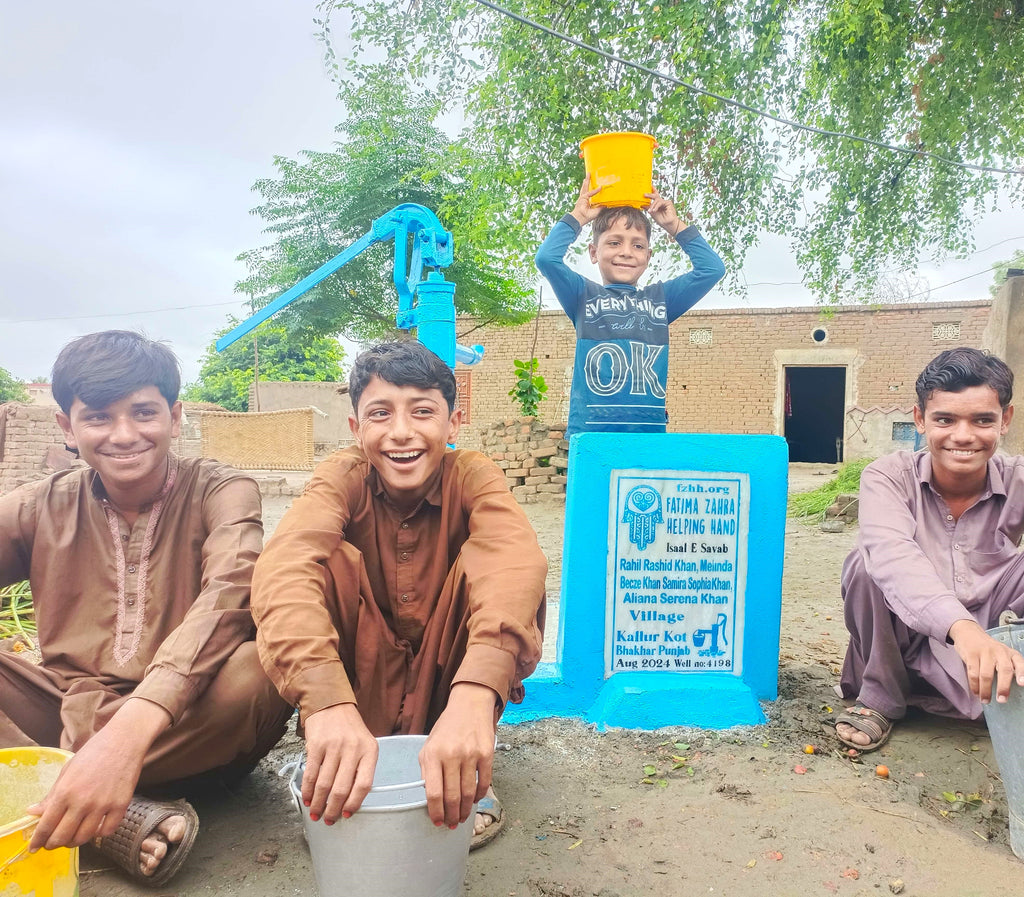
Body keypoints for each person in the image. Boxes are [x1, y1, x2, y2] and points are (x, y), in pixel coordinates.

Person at [0, 331, 292, 886]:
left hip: (191, 725)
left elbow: (230, 595)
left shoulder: (221, 490)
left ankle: (64, 795)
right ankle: (109, 819)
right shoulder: (40, 505)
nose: (124, 434)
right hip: (65, 713)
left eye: (142, 412)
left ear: (175, 416)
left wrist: (125, 737)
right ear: (68, 427)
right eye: (99, 417)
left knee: (264, 664)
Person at [250, 340, 547, 849]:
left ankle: (464, 762)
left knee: (502, 566)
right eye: (380, 414)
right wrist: (324, 705)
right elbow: (286, 566)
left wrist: (477, 692)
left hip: (446, 689)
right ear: (355, 428)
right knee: (320, 566)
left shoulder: (472, 474)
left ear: (452, 424)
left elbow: (513, 558)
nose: (402, 432)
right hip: (358, 691)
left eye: (423, 412)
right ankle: (339, 751)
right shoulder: (340, 479)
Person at [835, 347, 1024, 752]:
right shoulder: (888, 475)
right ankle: (882, 697)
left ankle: (1004, 684)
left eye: (982, 420)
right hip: (903, 634)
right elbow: (892, 555)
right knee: (866, 566)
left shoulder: (1018, 478)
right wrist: (964, 630)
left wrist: (981, 632)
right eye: (945, 419)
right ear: (920, 419)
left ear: (1004, 420)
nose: (963, 436)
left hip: (988, 631)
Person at [535, 178, 725, 436]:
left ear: (648, 256)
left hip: (646, 438)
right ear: (593, 252)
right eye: (614, 242)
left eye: (637, 245)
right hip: (591, 437)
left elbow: (712, 269)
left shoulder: (661, 299)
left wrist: (673, 225)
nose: (626, 252)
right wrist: (579, 215)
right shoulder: (582, 295)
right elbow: (546, 258)